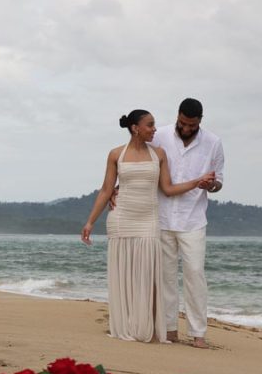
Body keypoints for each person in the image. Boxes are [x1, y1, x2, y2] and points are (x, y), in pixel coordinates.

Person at [81, 110, 214, 343]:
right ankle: (127, 325)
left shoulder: (159, 154)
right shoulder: (115, 154)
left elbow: (168, 189)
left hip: (149, 221)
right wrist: (90, 221)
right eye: (150, 125)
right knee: (125, 274)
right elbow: (105, 189)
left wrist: (197, 182)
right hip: (122, 218)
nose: (154, 129)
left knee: (151, 277)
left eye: (154, 125)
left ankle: (150, 327)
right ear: (135, 128)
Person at [112, 98, 224, 348]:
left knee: (195, 273)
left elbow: (219, 182)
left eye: (191, 125)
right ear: (178, 116)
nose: (186, 128)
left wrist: (211, 185)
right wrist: (117, 188)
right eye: (183, 123)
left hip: (193, 218)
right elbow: (138, 161)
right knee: (165, 277)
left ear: (200, 121)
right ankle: (170, 330)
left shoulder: (213, 143)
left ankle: (198, 333)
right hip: (160, 216)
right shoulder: (159, 135)